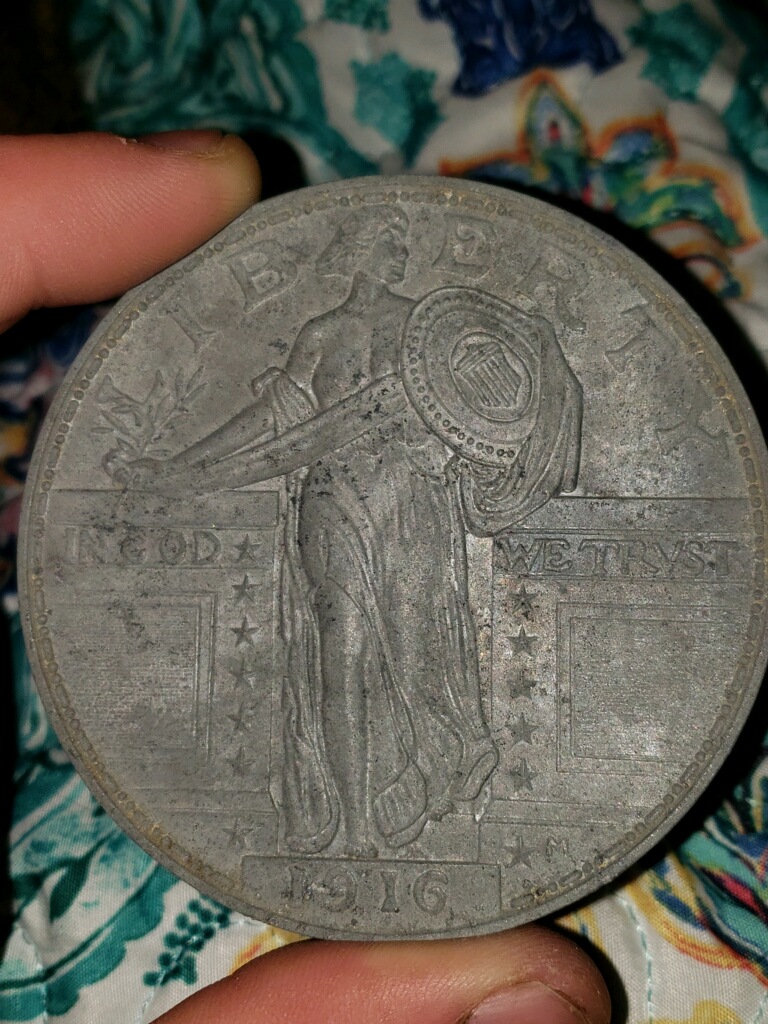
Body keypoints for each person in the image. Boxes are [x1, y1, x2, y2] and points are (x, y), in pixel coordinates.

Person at [0, 129, 610, 1024]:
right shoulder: (321, 336)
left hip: (412, 510)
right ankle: (355, 827)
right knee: (338, 654)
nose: (381, 253)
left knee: (416, 660)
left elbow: (493, 401)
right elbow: (269, 427)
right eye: (371, 243)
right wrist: (179, 468)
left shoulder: (432, 327)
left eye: (391, 244)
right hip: (330, 501)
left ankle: (421, 786)